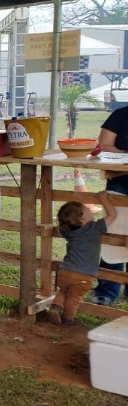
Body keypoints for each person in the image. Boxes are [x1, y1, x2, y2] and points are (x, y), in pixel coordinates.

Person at [51, 192, 117, 325]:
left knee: (63, 291)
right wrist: (103, 198)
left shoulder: (67, 231)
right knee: (74, 297)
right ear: (82, 218)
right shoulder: (94, 228)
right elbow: (113, 215)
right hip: (82, 275)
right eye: (87, 209)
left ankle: (55, 307)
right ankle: (68, 319)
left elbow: (60, 228)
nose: (91, 210)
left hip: (64, 271)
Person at [94, 110, 128, 306]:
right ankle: (106, 290)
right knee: (114, 237)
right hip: (120, 184)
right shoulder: (120, 115)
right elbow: (104, 146)